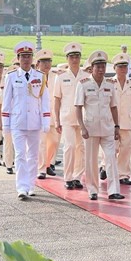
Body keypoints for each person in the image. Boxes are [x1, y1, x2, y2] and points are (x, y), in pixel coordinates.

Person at [2, 41, 50, 200]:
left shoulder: (40, 76)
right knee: (20, 155)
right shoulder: (11, 77)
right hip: (18, 121)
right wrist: (5, 123)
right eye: (23, 56)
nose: (26, 59)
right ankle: (21, 187)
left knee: (34, 156)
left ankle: (31, 185)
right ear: (18, 58)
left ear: (32, 58)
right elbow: (6, 101)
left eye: (29, 56)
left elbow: (44, 100)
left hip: (35, 121)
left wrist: (46, 121)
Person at [75, 50, 124, 201]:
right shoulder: (83, 84)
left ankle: (113, 190)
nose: (101, 69)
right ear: (92, 68)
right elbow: (78, 106)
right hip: (90, 129)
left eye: (103, 66)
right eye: (98, 66)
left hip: (108, 128)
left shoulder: (110, 84)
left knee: (111, 159)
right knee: (91, 161)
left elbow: (114, 107)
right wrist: (82, 127)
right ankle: (92, 189)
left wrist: (117, 127)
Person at [54, 42, 90, 190]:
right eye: (71, 57)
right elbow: (57, 99)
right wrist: (56, 120)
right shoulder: (61, 77)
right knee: (69, 147)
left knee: (81, 148)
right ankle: (68, 177)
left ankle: (77, 176)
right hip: (67, 117)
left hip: (83, 118)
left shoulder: (87, 76)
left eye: (77, 56)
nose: (74, 59)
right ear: (67, 59)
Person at [110, 53, 131, 185]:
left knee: (126, 150)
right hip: (113, 123)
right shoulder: (109, 84)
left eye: (125, 66)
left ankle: (123, 175)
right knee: (112, 150)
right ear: (115, 68)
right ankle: (107, 169)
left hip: (128, 123)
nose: (123, 69)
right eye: (120, 66)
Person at [34, 49, 60, 179]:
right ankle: (42, 168)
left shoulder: (57, 76)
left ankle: (48, 162)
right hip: (39, 115)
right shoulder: (34, 77)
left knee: (54, 141)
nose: (47, 64)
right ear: (38, 63)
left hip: (54, 115)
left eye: (49, 61)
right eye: (44, 62)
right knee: (41, 143)